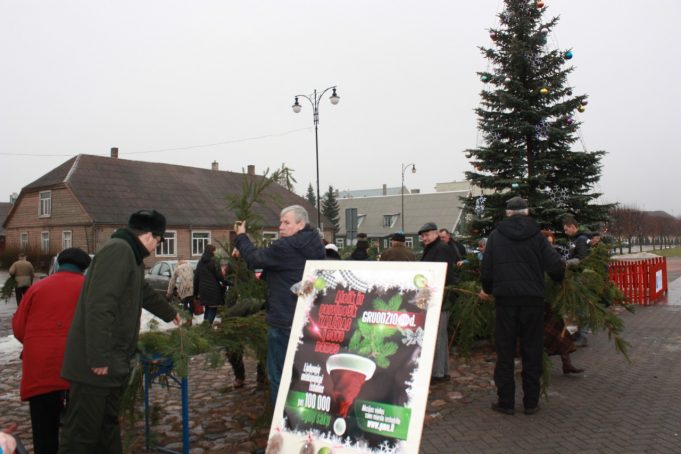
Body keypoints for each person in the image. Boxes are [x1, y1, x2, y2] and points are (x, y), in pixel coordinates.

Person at [58, 209, 181, 454]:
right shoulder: (119, 251)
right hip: (93, 367)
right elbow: (100, 306)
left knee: (107, 428)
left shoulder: (131, 255)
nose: (156, 248)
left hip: (112, 363)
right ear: (147, 235)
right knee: (82, 436)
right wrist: (98, 356)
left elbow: (142, 291)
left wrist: (170, 313)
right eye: (158, 242)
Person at [480, 196, 565, 416]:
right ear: (527, 212)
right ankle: (531, 402)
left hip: (505, 302)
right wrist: (557, 280)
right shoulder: (537, 237)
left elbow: (486, 271)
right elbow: (556, 267)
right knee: (532, 351)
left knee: (505, 352)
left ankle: (506, 402)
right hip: (533, 302)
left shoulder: (496, 237)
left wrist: (488, 290)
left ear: (507, 213)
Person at [233, 205, 325, 404]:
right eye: (280, 222)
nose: (280, 227)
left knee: (278, 375)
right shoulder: (315, 243)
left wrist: (240, 237)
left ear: (301, 224)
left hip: (283, 319)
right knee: (302, 374)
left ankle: (280, 422)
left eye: (286, 223)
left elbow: (254, 258)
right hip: (307, 318)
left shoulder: (286, 247)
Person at [12, 248, 91, 454]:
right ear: (83, 267)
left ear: (59, 264)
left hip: (40, 366)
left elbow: (19, 327)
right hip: (77, 365)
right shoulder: (88, 287)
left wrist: (36, 344)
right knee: (80, 427)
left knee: (43, 429)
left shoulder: (37, 288)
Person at [418, 222, 458, 384]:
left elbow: (441, 275)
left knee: (438, 336)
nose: (424, 238)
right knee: (439, 336)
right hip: (435, 298)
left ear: (435, 234)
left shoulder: (440, 249)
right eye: (422, 236)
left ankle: (438, 373)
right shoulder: (432, 248)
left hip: (441, 299)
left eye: (427, 235)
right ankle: (442, 371)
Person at [540, 231, 584, 375]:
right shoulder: (535, 256)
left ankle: (567, 363)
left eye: (551, 242)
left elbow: (559, 272)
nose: (550, 244)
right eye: (547, 242)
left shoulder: (553, 255)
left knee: (563, 333)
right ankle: (534, 365)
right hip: (541, 301)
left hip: (555, 301)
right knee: (539, 335)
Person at [563, 216, 590, 346]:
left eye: (566, 229)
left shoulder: (581, 240)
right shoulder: (575, 239)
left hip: (579, 278)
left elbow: (581, 259)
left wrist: (565, 263)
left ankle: (582, 336)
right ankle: (574, 335)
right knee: (572, 308)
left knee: (580, 308)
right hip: (574, 277)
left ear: (573, 226)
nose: (565, 232)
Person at [193, 244, 227, 326]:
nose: (215, 252)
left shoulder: (200, 262)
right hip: (213, 290)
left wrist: (195, 292)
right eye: (214, 251)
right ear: (212, 251)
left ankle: (204, 328)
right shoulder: (214, 262)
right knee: (212, 309)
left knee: (207, 308)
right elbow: (219, 277)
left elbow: (196, 278)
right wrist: (228, 282)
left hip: (203, 290)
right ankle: (206, 328)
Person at [166, 259, 195, 324]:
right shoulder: (190, 266)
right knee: (191, 302)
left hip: (184, 289)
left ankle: (188, 319)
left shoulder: (177, 268)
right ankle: (191, 318)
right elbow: (193, 276)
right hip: (191, 288)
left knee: (185, 304)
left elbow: (172, 282)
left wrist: (169, 292)